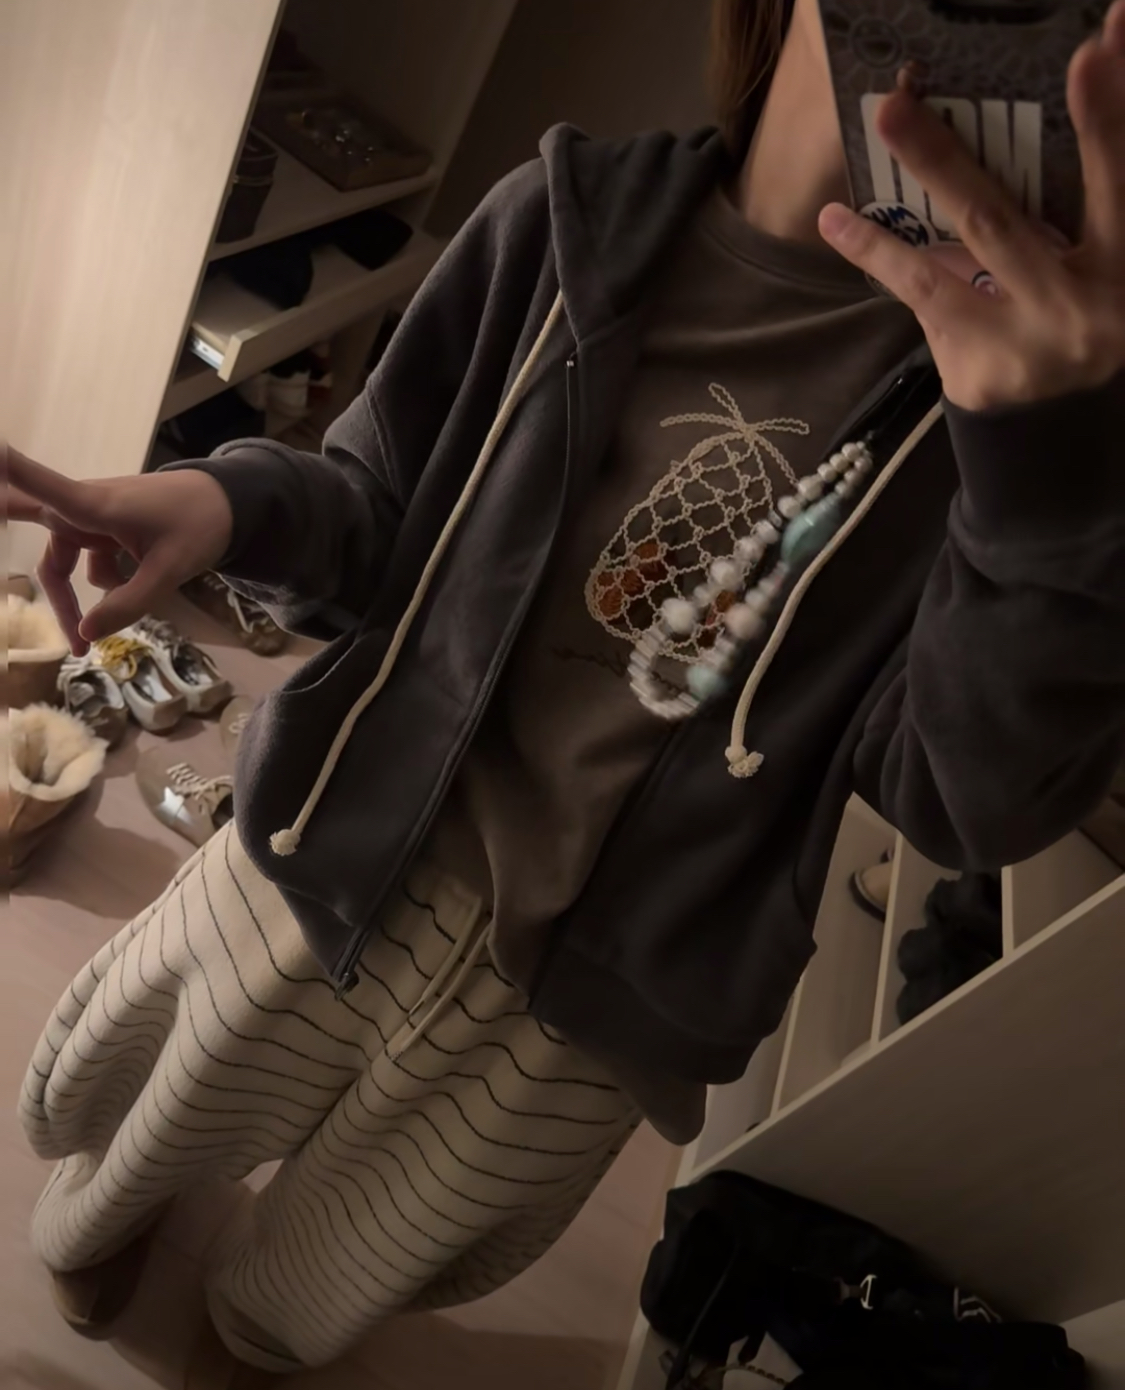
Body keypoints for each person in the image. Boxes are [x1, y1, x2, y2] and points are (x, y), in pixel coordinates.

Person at [7, 0, 1125, 1384]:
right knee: (158, 1105)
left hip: (587, 1017)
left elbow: (966, 798)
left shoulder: (1012, 428)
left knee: (335, 1267)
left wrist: (1041, 474)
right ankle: (106, 1223)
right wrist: (229, 503)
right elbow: (375, 504)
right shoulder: (561, 218)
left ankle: (249, 1337)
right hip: (333, 841)